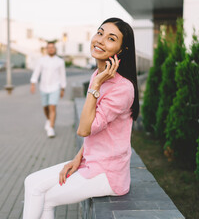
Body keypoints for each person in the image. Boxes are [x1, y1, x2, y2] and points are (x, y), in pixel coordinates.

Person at [23, 18, 139, 219]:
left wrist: (94, 86)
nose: (100, 40)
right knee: (31, 182)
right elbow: (98, 133)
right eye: (100, 33)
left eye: (111, 38)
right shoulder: (98, 74)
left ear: (121, 50)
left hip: (108, 173)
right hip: (90, 162)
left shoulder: (122, 88)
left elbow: (84, 130)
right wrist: (78, 157)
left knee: (44, 196)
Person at [30, 42, 66, 138]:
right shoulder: (41, 60)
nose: (50, 49)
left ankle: (51, 128)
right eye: (49, 47)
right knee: (45, 107)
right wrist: (33, 83)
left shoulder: (60, 61)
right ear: (46, 49)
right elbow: (37, 72)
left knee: (52, 107)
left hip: (55, 87)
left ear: (55, 49)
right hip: (44, 87)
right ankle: (49, 120)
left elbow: (62, 75)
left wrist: (63, 88)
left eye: (52, 47)